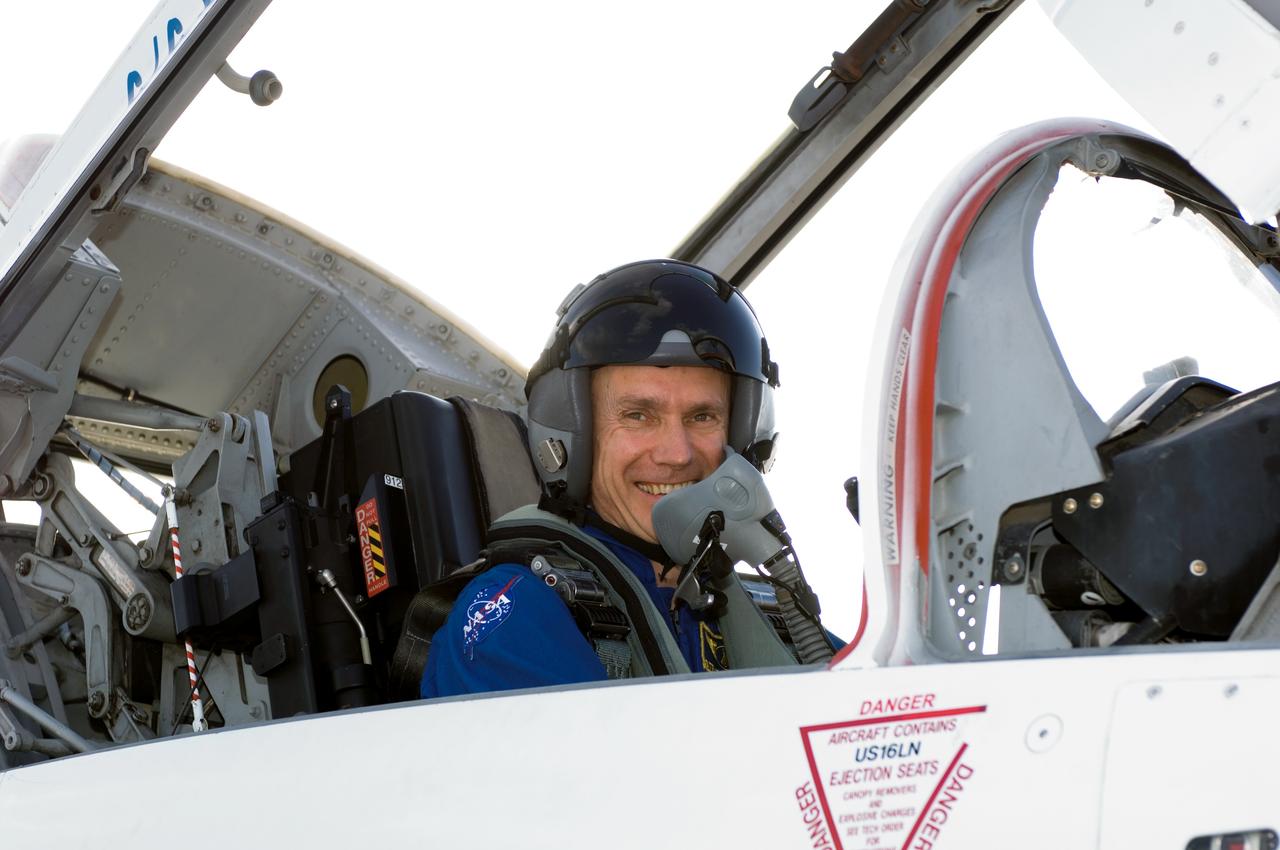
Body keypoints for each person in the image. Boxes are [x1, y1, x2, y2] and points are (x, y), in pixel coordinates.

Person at [420, 259, 790, 699]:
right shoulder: (517, 617)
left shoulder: (769, 617)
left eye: (702, 416)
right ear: (574, 434)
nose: (677, 454)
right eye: (637, 415)